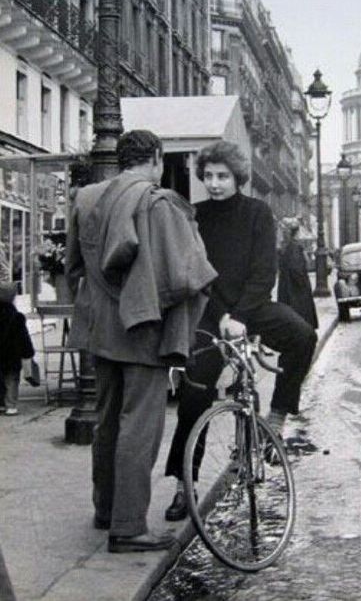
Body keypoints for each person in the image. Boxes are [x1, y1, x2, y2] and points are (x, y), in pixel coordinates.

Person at [65, 130, 217, 553]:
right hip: (143, 328)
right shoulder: (158, 201)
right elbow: (189, 275)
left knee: (107, 418)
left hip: (100, 328)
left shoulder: (87, 197)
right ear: (155, 158)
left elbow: (73, 266)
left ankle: (106, 508)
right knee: (140, 427)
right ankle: (129, 527)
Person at [164, 141, 317, 521]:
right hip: (210, 313)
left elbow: (264, 272)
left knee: (303, 336)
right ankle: (185, 484)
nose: (215, 184)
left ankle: (278, 419)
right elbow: (196, 275)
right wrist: (220, 316)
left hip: (253, 307)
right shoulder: (194, 217)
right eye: (210, 176)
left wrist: (241, 316)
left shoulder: (258, 214)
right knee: (194, 395)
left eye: (223, 176)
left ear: (237, 178)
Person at [0, 281, 35, 416]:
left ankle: (1, 403)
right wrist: (28, 353)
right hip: (12, 356)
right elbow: (23, 338)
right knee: (12, 380)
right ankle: (11, 405)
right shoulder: (17, 317)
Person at [277, 218, 318, 329]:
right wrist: (302, 283)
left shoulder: (287, 247)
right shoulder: (295, 247)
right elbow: (296, 269)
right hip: (296, 291)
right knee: (299, 316)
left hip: (287, 287)